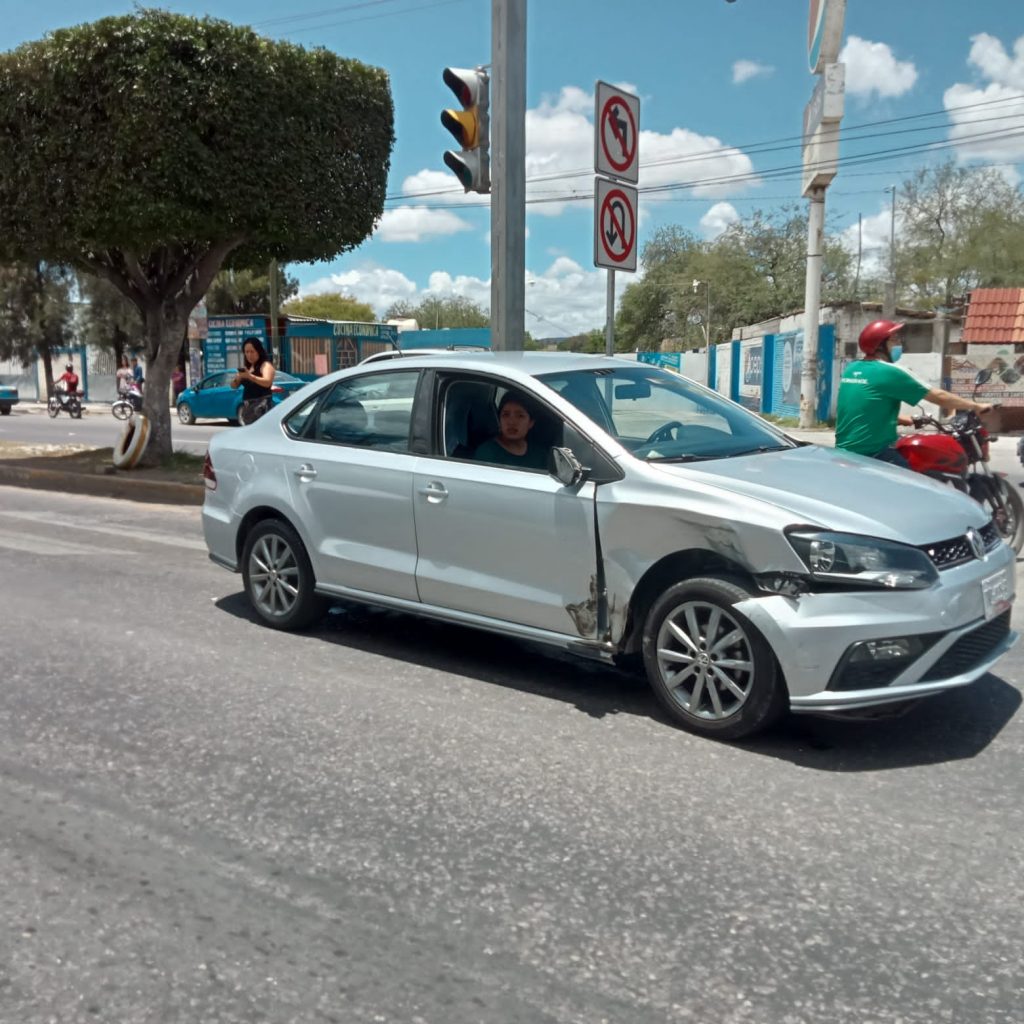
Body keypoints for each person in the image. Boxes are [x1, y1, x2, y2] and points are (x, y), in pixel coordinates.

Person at [836, 319, 992, 468]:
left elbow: (861, 408)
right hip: (873, 452)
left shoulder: (852, 368)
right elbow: (937, 396)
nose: (899, 344)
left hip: (845, 450)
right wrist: (975, 406)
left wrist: (901, 419)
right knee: (918, 482)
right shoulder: (890, 372)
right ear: (880, 345)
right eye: (894, 340)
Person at [473, 391, 548, 470]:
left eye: (520, 416)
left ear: (531, 423)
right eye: (506, 415)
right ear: (499, 420)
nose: (511, 422)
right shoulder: (486, 453)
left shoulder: (540, 455)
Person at [231, 336, 276, 423]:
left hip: (262, 409)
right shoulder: (248, 367)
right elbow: (233, 386)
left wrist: (250, 377)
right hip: (248, 409)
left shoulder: (265, 365)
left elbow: (267, 382)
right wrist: (238, 378)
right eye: (247, 352)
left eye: (252, 351)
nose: (249, 355)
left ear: (258, 351)